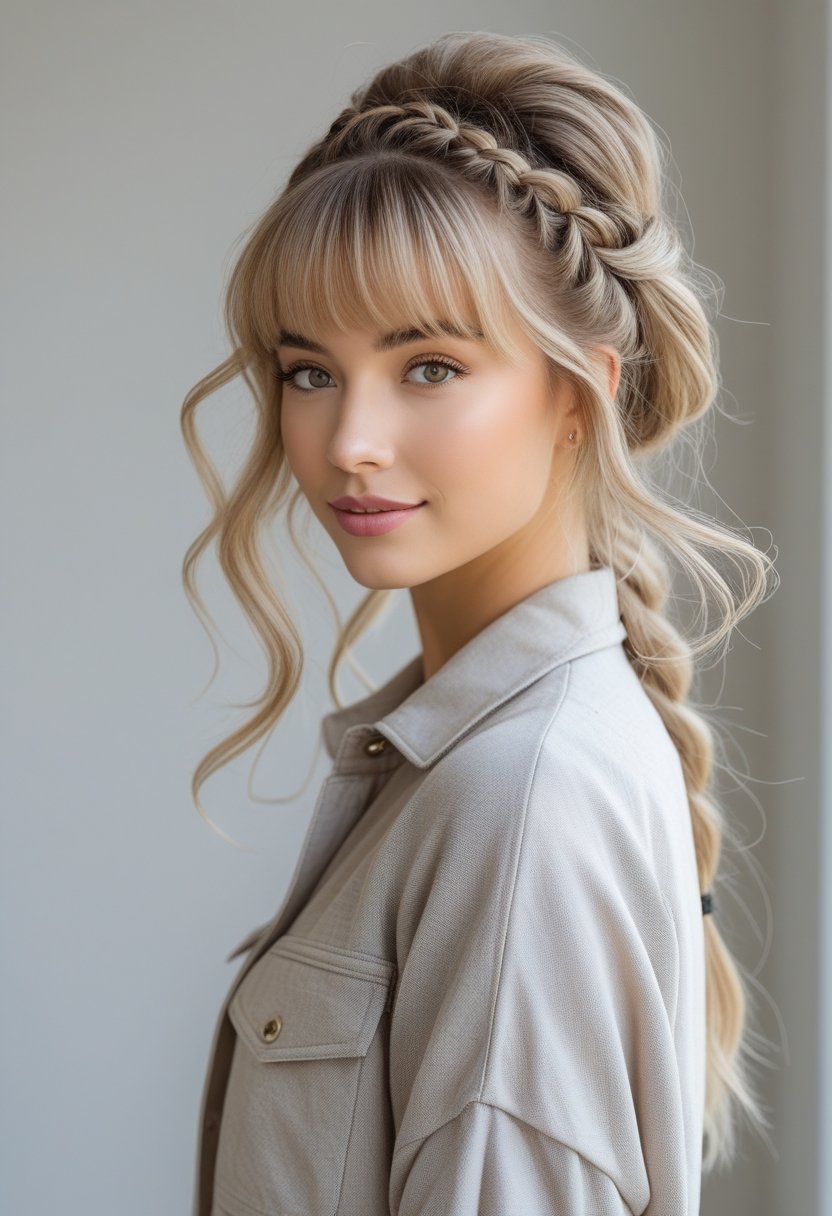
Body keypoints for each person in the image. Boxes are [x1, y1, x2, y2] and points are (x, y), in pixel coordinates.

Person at [180, 29, 777, 1216]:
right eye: (309, 371)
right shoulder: (482, 760)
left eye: (430, 367)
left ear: (580, 394)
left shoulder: (517, 796)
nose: (350, 441)